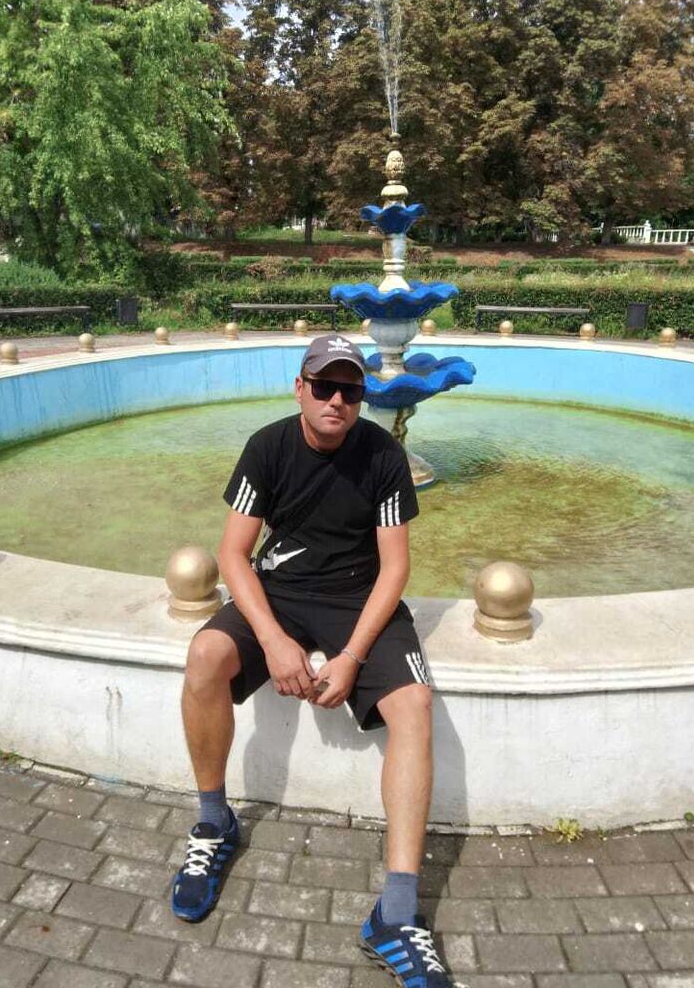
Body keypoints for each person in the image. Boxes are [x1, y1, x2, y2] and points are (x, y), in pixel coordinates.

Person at [172, 335, 453, 987]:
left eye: (350, 390)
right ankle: (213, 823)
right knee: (206, 654)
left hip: (358, 597)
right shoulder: (267, 448)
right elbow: (234, 555)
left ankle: (396, 913)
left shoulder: (383, 455)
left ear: (361, 397)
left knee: (414, 703)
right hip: (281, 591)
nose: (336, 400)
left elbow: (395, 568)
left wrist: (352, 655)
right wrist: (274, 640)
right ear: (299, 388)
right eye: (324, 386)